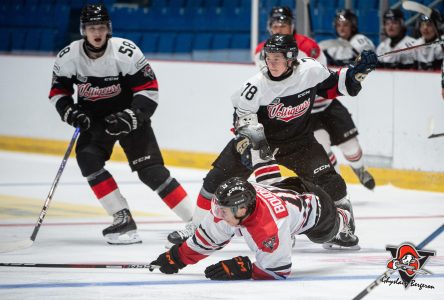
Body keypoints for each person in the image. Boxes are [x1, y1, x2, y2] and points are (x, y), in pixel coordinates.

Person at [167, 33, 378, 245]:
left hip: (299, 142)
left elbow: (336, 86)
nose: (271, 62)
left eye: (277, 57)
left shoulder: (310, 71)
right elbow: (243, 124)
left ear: (291, 57)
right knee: (215, 179)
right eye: (268, 57)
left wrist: (358, 73)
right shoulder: (254, 88)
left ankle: (342, 229)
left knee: (332, 183)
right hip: (260, 142)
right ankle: (196, 227)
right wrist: (249, 147)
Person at [48, 4, 194, 245]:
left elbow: (149, 90)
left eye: (102, 27)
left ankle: (197, 222)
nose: (97, 33)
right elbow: (58, 91)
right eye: (92, 27)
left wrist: (131, 116)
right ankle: (121, 217)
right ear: (83, 30)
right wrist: (69, 111)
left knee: (152, 172)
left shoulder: (126, 52)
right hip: (94, 120)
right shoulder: (68, 56)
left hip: (129, 116)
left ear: (109, 29)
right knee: (87, 158)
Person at [150, 150, 359, 280]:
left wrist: (245, 268)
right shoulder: (230, 209)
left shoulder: (268, 225)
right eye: (219, 209)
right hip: (290, 191)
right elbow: (209, 238)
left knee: (324, 235)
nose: (219, 215)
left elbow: (279, 270)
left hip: (317, 209)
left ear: (242, 209)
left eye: (224, 211)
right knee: (279, 229)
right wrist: (177, 257)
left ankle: (343, 215)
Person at [257, 7, 376, 190]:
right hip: (303, 113)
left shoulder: (308, 46)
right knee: (321, 149)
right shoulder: (262, 51)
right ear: (269, 28)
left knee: (351, 146)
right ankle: (335, 183)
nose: (279, 30)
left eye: (284, 25)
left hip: (326, 105)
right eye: (275, 26)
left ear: (292, 26)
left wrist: (355, 71)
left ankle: (359, 169)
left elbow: (324, 78)